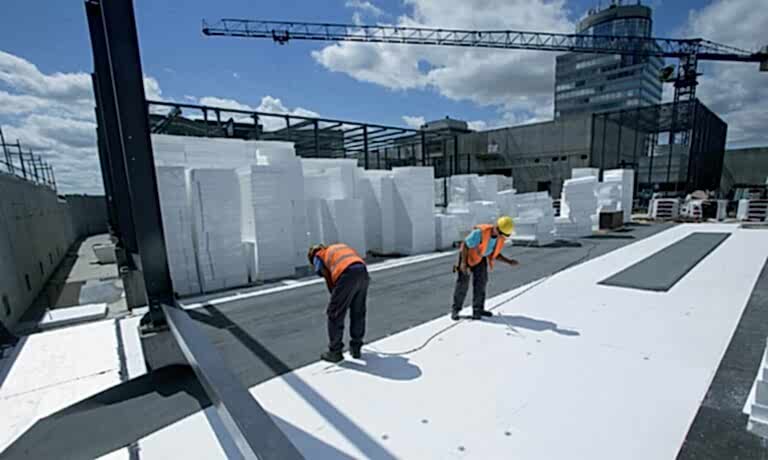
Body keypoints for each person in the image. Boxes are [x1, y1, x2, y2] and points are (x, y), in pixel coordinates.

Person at [308, 243, 370, 363]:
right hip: (362, 271)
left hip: (347, 273)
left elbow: (326, 276)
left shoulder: (318, 255)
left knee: (334, 313)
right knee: (358, 311)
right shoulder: (338, 247)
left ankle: (335, 352)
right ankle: (356, 348)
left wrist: (338, 300)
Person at [451, 216, 519, 321]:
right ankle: (456, 309)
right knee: (463, 284)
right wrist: (463, 264)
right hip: (467, 257)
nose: (502, 237)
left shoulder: (499, 238)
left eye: (504, 235)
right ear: (497, 228)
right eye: (501, 234)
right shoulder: (480, 233)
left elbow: (494, 253)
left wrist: (509, 261)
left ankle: (478, 309)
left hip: (480, 258)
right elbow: (465, 245)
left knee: (481, 283)